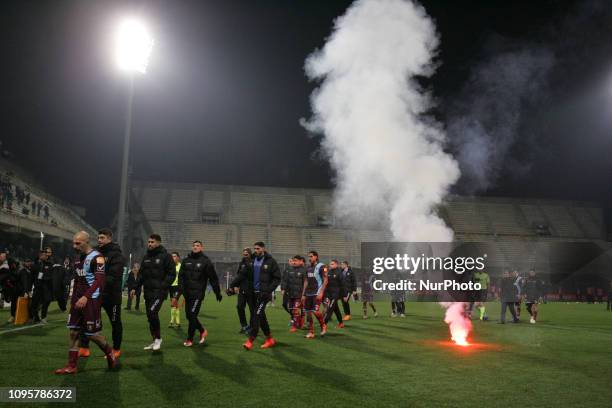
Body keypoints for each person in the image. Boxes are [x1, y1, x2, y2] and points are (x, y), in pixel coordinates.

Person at [55, 231, 117, 374]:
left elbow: (100, 281)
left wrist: (86, 297)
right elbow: (77, 280)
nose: (74, 246)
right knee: (73, 332)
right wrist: (74, 299)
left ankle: (109, 352)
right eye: (73, 243)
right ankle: (71, 366)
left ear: (87, 242)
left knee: (92, 334)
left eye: (78, 243)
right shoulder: (77, 258)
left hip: (91, 300)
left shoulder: (97, 257)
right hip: (78, 301)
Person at [79, 229, 126, 359]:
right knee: (86, 319)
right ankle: (84, 347)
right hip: (95, 294)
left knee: (115, 322)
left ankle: (116, 349)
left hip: (111, 295)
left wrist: (97, 284)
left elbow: (113, 276)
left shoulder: (116, 255)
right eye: (98, 238)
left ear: (109, 238)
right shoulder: (94, 253)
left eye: (102, 238)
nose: (99, 240)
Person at [228, 241, 281, 350]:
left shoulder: (270, 261)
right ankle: (270, 339)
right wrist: (232, 285)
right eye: (255, 249)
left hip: (264, 294)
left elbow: (277, 279)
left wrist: (268, 291)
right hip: (252, 293)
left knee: (256, 315)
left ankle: (250, 341)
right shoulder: (251, 261)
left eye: (258, 249)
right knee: (261, 317)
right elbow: (241, 275)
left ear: (263, 249)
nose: (256, 251)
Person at [178, 241, 222, 347]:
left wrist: (217, 292)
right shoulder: (186, 260)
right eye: (193, 245)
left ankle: (190, 339)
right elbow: (181, 277)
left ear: (202, 247)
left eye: (197, 246)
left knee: (192, 315)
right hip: (187, 293)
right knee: (189, 316)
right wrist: (181, 290)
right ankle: (202, 330)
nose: (195, 247)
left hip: (198, 293)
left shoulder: (206, 261)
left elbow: (213, 278)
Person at [140, 234, 175, 351]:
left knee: (152, 312)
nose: (149, 244)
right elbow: (141, 274)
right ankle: (154, 340)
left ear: (158, 243)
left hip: (159, 292)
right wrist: (135, 287)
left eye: (152, 242)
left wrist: (163, 286)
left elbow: (171, 274)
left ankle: (158, 339)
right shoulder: (146, 257)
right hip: (148, 292)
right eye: (149, 242)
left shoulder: (166, 256)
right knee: (150, 317)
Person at [301, 250, 328, 339]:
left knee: (315, 312)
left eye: (311, 256)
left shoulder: (322, 266)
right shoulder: (307, 268)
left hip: (317, 292)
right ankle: (311, 332)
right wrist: (303, 294)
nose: (309, 258)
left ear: (316, 256)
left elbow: (325, 280)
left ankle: (323, 325)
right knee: (308, 313)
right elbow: (306, 281)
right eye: (309, 256)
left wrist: (321, 292)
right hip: (308, 293)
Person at [281, 255, 306, 332]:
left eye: (296, 261)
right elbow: (285, 280)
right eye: (293, 260)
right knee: (292, 310)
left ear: (300, 261)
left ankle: (295, 326)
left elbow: (306, 283)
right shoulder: (289, 270)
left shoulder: (304, 270)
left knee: (296, 310)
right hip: (290, 293)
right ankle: (299, 322)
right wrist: (283, 289)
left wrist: (304, 294)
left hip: (299, 294)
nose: (294, 262)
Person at [234, 248, 255, 334]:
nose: (245, 255)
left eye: (246, 253)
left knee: (252, 309)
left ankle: (252, 326)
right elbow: (238, 275)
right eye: (244, 254)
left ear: (250, 254)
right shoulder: (241, 263)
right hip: (242, 289)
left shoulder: (254, 262)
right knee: (239, 306)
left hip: (252, 290)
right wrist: (236, 285)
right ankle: (244, 325)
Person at [30, 249, 54, 323]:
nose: (46, 256)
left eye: (46, 255)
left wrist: (46, 278)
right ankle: (36, 318)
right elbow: (31, 277)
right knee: (34, 303)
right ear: (40, 256)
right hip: (37, 287)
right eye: (44, 255)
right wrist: (29, 288)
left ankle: (43, 317)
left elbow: (51, 275)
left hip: (46, 287)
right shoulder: (34, 265)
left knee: (47, 301)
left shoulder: (49, 264)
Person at [324, 259, 345, 328]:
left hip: (335, 294)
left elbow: (342, 284)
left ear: (336, 264)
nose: (331, 265)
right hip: (329, 294)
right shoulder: (329, 272)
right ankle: (341, 323)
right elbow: (326, 281)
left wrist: (344, 295)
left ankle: (324, 324)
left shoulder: (339, 272)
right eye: (330, 264)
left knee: (330, 308)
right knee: (336, 309)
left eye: (332, 264)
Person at [0, 248, 19, 323]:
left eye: (2, 256)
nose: (1, 257)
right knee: (12, 300)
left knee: (14, 301)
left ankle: (13, 316)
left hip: (12, 285)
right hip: (5, 285)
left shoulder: (10, 262)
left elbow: (15, 272)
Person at [169, 251, 182, 328]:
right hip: (171, 287)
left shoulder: (181, 266)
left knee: (174, 302)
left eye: (174, 256)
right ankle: (175, 322)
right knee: (174, 305)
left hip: (178, 287)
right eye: (172, 256)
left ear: (178, 258)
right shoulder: (170, 266)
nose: (173, 258)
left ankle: (174, 321)